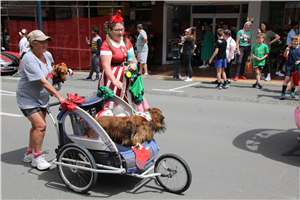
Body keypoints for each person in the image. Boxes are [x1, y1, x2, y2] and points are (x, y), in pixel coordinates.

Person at [16, 30, 66, 170]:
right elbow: (43, 81)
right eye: (41, 42)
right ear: (32, 43)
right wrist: (59, 97)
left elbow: (51, 72)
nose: (45, 44)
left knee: (36, 127)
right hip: (27, 98)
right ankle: (37, 158)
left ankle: (29, 153)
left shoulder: (47, 55)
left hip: (41, 97)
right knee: (41, 126)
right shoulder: (29, 59)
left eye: (46, 41)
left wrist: (59, 74)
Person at [98, 10, 148, 112]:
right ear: (110, 30)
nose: (120, 32)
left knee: (127, 104)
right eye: (117, 30)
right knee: (113, 106)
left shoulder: (126, 41)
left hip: (127, 77)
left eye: (121, 29)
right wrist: (114, 80)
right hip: (113, 79)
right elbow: (106, 65)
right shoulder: (106, 44)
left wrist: (134, 64)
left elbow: (133, 59)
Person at [280, 35, 300, 100]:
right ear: (292, 41)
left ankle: (292, 92)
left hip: (297, 66)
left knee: (294, 80)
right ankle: (283, 93)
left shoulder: (299, 49)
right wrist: (286, 50)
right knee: (287, 79)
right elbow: (285, 56)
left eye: (297, 41)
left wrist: (299, 61)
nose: (296, 42)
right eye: (294, 41)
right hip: (289, 66)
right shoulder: (289, 48)